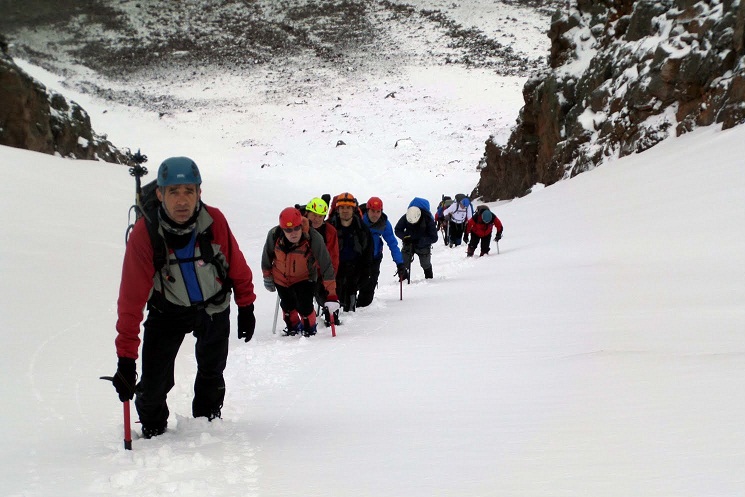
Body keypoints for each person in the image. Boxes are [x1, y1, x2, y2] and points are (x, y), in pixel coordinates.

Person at [112, 156, 257, 439]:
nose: (182, 200)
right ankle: (153, 427)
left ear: (199, 193)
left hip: (214, 307)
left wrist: (246, 305)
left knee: (212, 372)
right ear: (159, 194)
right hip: (168, 311)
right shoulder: (146, 234)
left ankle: (208, 424)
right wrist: (125, 360)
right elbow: (131, 301)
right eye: (173, 192)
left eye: (189, 191)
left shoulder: (214, 221)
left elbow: (236, 265)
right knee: (153, 383)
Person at [261, 207, 339, 336]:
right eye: (288, 230)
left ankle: (309, 329)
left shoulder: (313, 237)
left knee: (305, 306)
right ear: (282, 229)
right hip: (281, 277)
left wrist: (331, 294)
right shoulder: (274, 235)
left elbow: (326, 265)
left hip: (305, 277)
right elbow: (267, 256)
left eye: (296, 228)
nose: (293, 233)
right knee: (287, 305)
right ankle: (292, 328)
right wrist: (267, 276)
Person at [327, 192, 374, 317]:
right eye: (342, 208)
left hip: (355, 268)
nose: (345, 211)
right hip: (334, 268)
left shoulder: (362, 229)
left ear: (353, 209)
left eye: (348, 208)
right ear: (337, 209)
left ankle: (349, 313)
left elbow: (368, 250)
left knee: (351, 293)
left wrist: (366, 271)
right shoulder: (330, 227)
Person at [358, 196, 407, 307]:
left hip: (375, 258)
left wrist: (400, 263)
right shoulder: (359, 220)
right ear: (367, 210)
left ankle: (361, 310)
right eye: (372, 211)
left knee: (368, 289)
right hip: (358, 258)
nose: (375, 214)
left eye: (378, 211)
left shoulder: (384, 224)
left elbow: (392, 244)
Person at [303, 197, 340, 326]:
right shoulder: (298, 228)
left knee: (324, 293)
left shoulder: (330, 231)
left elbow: (333, 256)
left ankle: (331, 314)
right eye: (314, 215)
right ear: (307, 213)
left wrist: (330, 276)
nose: (317, 219)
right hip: (301, 272)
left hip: (321, 271)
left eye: (320, 216)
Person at [394, 197, 438, 280]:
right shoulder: (406, 216)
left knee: (425, 264)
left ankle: (429, 279)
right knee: (403, 262)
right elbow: (397, 229)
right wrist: (404, 238)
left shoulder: (428, 219)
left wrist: (421, 241)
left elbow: (434, 237)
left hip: (423, 245)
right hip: (409, 243)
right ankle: (403, 278)